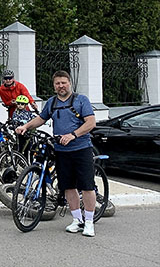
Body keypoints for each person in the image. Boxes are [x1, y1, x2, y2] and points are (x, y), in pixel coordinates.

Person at [16, 71, 98, 237]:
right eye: (57, 83)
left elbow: (91, 122)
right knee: (68, 186)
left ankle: (89, 222)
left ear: (69, 83)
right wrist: (26, 126)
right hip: (61, 151)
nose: (61, 86)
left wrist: (73, 135)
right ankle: (77, 220)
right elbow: (41, 118)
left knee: (87, 186)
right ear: (54, 86)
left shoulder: (81, 100)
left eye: (63, 83)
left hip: (81, 149)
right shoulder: (52, 102)